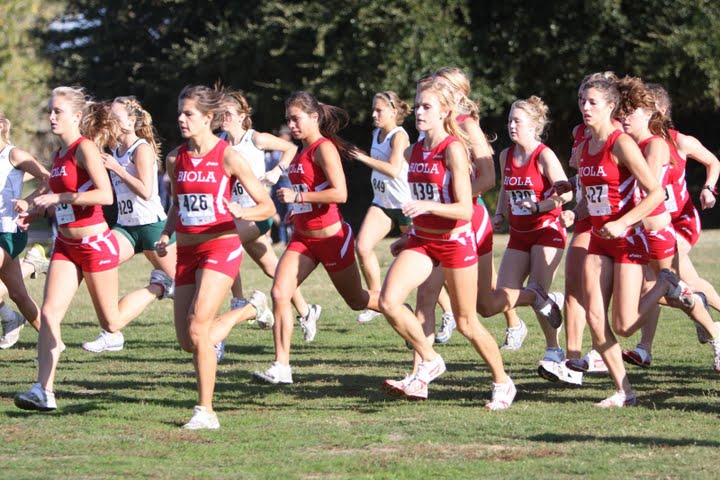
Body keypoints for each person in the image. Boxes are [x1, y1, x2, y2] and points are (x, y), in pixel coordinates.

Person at [14, 87, 173, 412]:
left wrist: (59, 199)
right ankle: (43, 389)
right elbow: (55, 194)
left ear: (76, 116)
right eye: (50, 110)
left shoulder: (85, 149)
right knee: (49, 313)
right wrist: (32, 208)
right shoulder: (59, 156)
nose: (52, 116)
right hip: (65, 245)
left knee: (112, 323)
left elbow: (105, 196)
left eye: (58, 111)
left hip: (94, 244)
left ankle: (159, 286)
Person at [379, 79, 515, 409]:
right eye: (418, 105)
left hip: (455, 242)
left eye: (427, 107)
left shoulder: (452, 148)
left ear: (445, 112)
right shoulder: (413, 151)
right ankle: (429, 361)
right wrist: (409, 235)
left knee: (468, 322)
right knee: (388, 301)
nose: (419, 112)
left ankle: (502, 382)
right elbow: (421, 198)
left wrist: (428, 208)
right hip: (423, 241)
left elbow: (465, 209)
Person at [564, 76, 693, 407]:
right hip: (598, 239)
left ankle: (664, 283)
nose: (585, 107)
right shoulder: (583, 146)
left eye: (592, 102)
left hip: (627, 240)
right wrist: (572, 211)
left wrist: (623, 223)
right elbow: (592, 195)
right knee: (595, 316)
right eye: (581, 100)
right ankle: (625, 391)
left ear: (611, 107)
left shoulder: (620, 144)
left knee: (623, 325)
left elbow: (654, 194)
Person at [156, 85, 275, 429]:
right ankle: (250, 309)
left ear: (208, 118)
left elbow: (266, 205)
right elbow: (178, 206)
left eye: (188, 113)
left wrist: (243, 209)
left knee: (199, 328)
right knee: (186, 340)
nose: (181, 119)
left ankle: (205, 411)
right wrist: (166, 234)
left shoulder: (228, 156)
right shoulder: (175, 158)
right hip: (187, 251)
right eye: (180, 112)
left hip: (221, 246)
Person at [252, 91, 381, 385]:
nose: (292, 125)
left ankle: (396, 307)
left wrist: (298, 195)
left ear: (313, 117)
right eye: (288, 120)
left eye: (296, 119)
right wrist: (295, 211)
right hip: (303, 239)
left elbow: (340, 193)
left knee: (357, 300)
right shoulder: (298, 152)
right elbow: (309, 196)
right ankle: (281, 366)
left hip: (332, 238)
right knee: (279, 293)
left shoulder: (324, 149)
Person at [613, 79, 720, 371]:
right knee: (662, 285)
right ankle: (646, 347)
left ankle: (706, 321)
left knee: (675, 281)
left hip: (680, 222)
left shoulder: (674, 142)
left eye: (642, 109)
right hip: (652, 225)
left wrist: (709, 188)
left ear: (659, 112)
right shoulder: (630, 144)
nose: (629, 115)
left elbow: (713, 162)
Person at [219, 90, 320, 355]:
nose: (223, 118)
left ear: (242, 116)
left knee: (222, 243)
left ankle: (238, 301)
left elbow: (291, 147)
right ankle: (307, 311)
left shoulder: (256, 139)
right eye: (220, 114)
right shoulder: (218, 143)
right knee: (274, 270)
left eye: (228, 113)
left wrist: (277, 171)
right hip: (236, 214)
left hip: (259, 213)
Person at [81, 96, 177, 353]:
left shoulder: (141, 149)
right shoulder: (114, 149)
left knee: (186, 286)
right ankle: (112, 333)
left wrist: (118, 169)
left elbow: (146, 191)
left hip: (152, 227)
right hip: (126, 228)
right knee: (98, 262)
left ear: (131, 120)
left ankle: (214, 337)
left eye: (116, 115)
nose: (111, 119)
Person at [490, 97, 573, 383]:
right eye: (510, 120)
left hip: (547, 231)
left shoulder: (543, 155)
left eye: (518, 121)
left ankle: (554, 351)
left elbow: (566, 193)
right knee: (503, 294)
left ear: (534, 126)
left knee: (536, 291)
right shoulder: (505, 155)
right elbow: (505, 188)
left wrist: (539, 206)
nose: (512, 125)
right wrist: (499, 214)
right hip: (519, 235)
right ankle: (550, 301)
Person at [351, 91, 412, 324]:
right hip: (382, 203)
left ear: (393, 112)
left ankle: (448, 311)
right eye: (373, 109)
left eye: (379, 110)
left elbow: (394, 169)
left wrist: (363, 158)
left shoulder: (399, 136)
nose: (374, 114)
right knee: (363, 246)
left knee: (425, 258)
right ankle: (376, 302)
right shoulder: (377, 132)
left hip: (405, 206)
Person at [0, 111, 50, 349]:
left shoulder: (14, 154)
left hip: (9, 232)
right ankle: (54, 342)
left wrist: (27, 201)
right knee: (18, 295)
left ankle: (32, 263)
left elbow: (48, 179)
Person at [265, 125, 294, 244]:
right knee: (279, 210)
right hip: (278, 181)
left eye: (282, 134)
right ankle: (282, 239)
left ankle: (292, 236)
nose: (280, 137)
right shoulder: (275, 152)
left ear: (287, 136)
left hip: (289, 180)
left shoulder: (293, 149)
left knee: (291, 210)